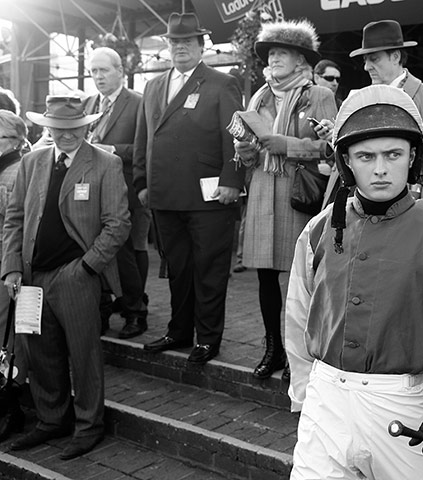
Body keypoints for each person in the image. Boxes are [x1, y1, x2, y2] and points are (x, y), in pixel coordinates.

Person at [285, 84, 423, 479]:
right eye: (365, 156)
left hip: (398, 408)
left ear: (413, 159)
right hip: (324, 403)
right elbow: (298, 315)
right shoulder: (318, 229)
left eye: (393, 154)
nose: (381, 168)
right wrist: (305, 392)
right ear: (346, 162)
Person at [2, 95, 130, 459]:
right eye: (58, 128)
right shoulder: (32, 162)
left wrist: (87, 267)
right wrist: (11, 266)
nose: (66, 134)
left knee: (84, 354)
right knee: (40, 353)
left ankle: (89, 426)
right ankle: (51, 419)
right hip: (31, 276)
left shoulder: (106, 164)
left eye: (73, 128)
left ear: (86, 126)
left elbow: (118, 223)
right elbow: (14, 218)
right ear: (48, 128)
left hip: (76, 276)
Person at [133, 13, 245, 363]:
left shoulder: (221, 83)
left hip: (209, 196)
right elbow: (143, 139)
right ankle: (179, 331)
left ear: (201, 46)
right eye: (174, 42)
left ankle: (208, 338)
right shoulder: (152, 86)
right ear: (167, 47)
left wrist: (232, 181)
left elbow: (235, 137)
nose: (180, 47)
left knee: (209, 270)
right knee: (178, 269)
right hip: (164, 195)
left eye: (187, 42)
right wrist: (141, 181)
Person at [234, 19, 336, 380]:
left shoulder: (318, 94)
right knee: (265, 277)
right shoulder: (259, 97)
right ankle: (273, 347)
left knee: (302, 278)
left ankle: (300, 354)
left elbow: (333, 147)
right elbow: (249, 155)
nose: (274, 58)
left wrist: (288, 146)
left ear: (300, 60)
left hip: (297, 192)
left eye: (283, 52)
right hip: (262, 188)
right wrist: (245, 149)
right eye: (271, 52)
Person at [323, 19, 423, 206]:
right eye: (365, 60)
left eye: (374, 59)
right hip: (359, 205)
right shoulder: (362, 98)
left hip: (405, 206)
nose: (366, 67)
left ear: (396, 56)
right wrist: (333, 138)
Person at [84, 47, 148, 339]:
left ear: (120, 71)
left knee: (124, 255)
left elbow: (148, 151)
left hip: (124, 191)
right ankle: (101, 310)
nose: (98, 76)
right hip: (88, 194)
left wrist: (114, 150)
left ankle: (135, 312)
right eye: (93, 71)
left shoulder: (138, 104)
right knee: (90, 250)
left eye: (103, 70)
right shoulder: (86, 105)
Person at [0, 110, 29, 442]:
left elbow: (14, 226)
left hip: (6, 266)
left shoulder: (14, 171)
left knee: (7, 338)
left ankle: (10, 405)